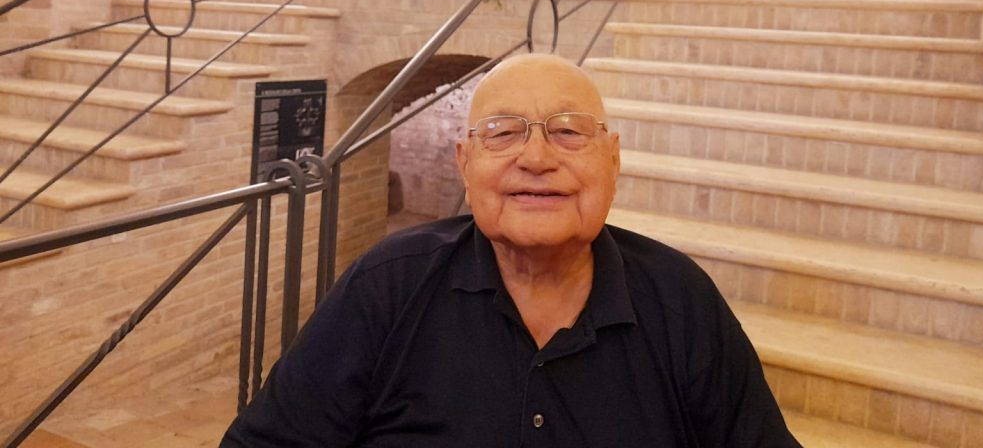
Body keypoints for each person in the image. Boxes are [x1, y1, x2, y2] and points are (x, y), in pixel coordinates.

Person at [221, 53, 801, 447]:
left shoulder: (680, 301)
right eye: (502, 133)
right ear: (465, 163)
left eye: (568, 130)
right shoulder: (387, 286)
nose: (537, 159)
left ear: (613, 160)